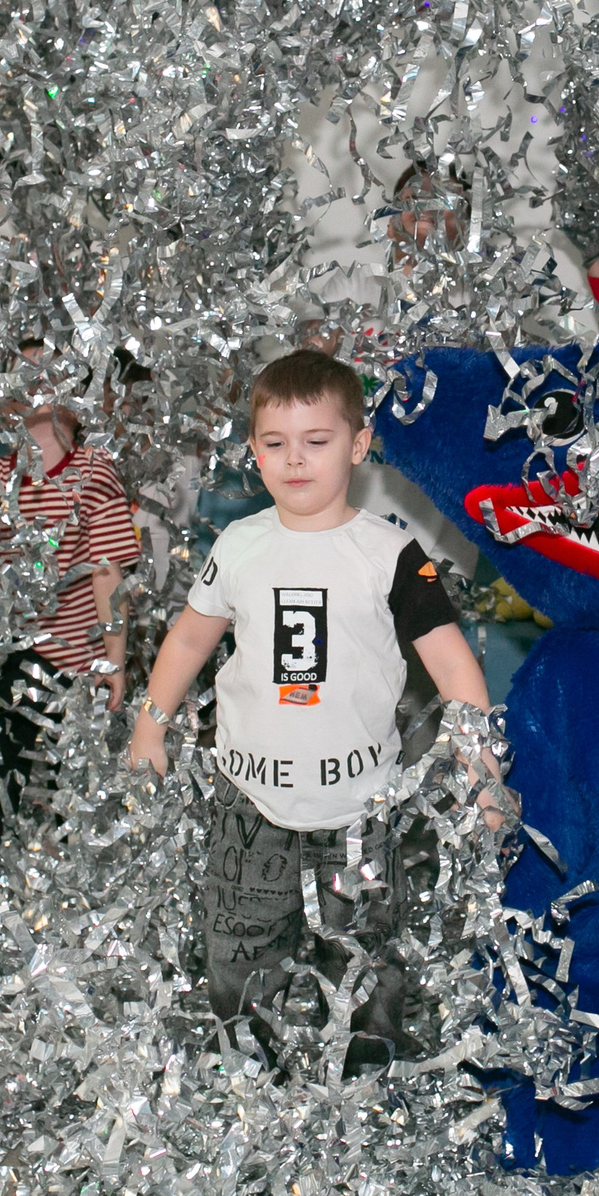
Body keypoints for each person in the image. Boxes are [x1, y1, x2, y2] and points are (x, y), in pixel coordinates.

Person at [125, 348, 490, 1075]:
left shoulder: (394, 554)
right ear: (254, 451)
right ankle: (248, 1076)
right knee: (238, 949)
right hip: (250, 804)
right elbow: (193, 634)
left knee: (366, 953)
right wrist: (151, 719)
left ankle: (369, 1076)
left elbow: (451, 661)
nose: (295, 462)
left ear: (356, 446)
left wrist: (481, 759)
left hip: (358, 812)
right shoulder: (240, 544)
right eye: (274, 444)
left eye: (317, 442)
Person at [0, 396, 137, 807]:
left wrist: (113, 661)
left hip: (80, 665)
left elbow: (107, 575)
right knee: (5, 789)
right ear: (3, 405)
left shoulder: (94, 471)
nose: (36, 380)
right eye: (24, 372)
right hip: (10, 662)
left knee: (75, 795)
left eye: (50, 369)